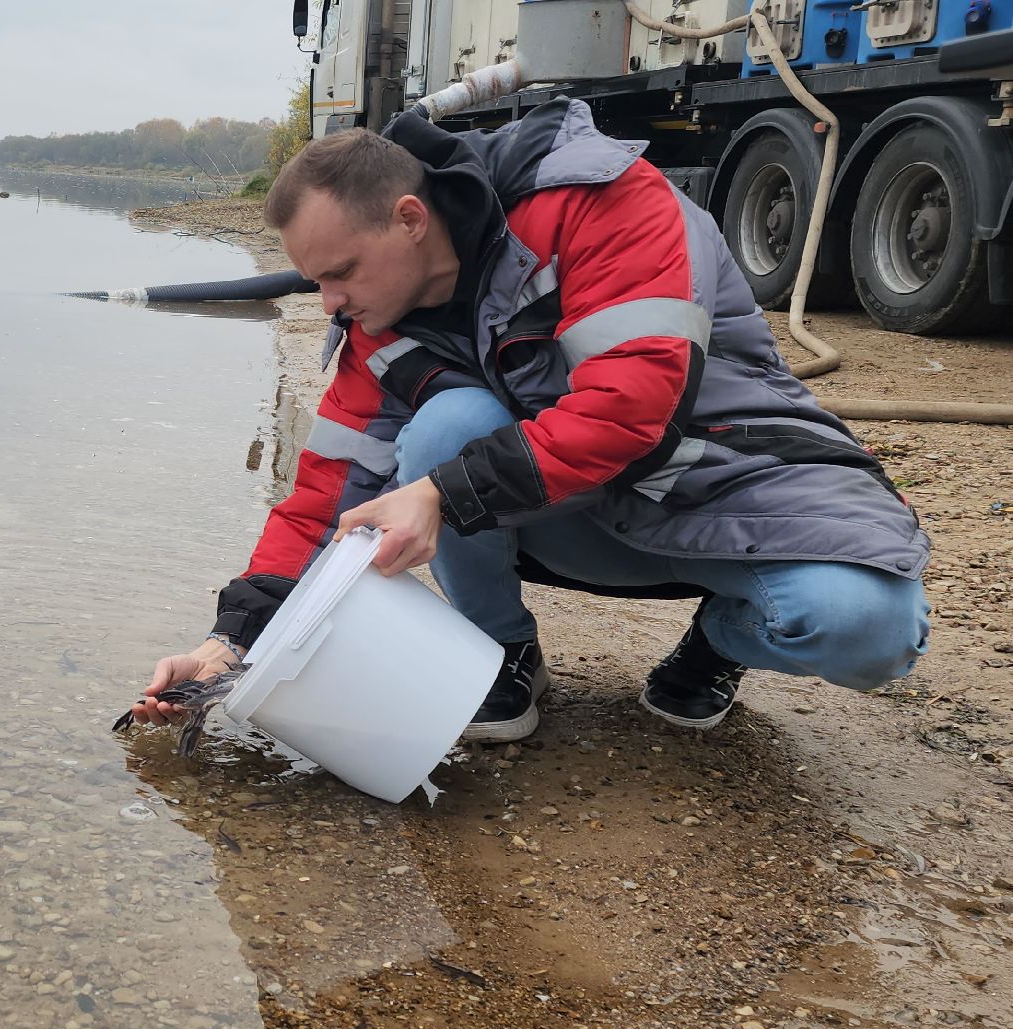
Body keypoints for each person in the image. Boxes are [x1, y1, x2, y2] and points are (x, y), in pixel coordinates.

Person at [128, 98, 930, 744]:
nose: (329, 305)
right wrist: (228, 645)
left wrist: (439, 497)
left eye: (339, 273)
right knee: (449, 426)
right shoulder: (381, 321)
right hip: (569, 514)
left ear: (410, 218)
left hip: (722, 484)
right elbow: (324, 494)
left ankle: (718, 643)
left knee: (870, 627)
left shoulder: (599, 201)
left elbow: (631, 409)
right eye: (316, 282)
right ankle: (503, 656)